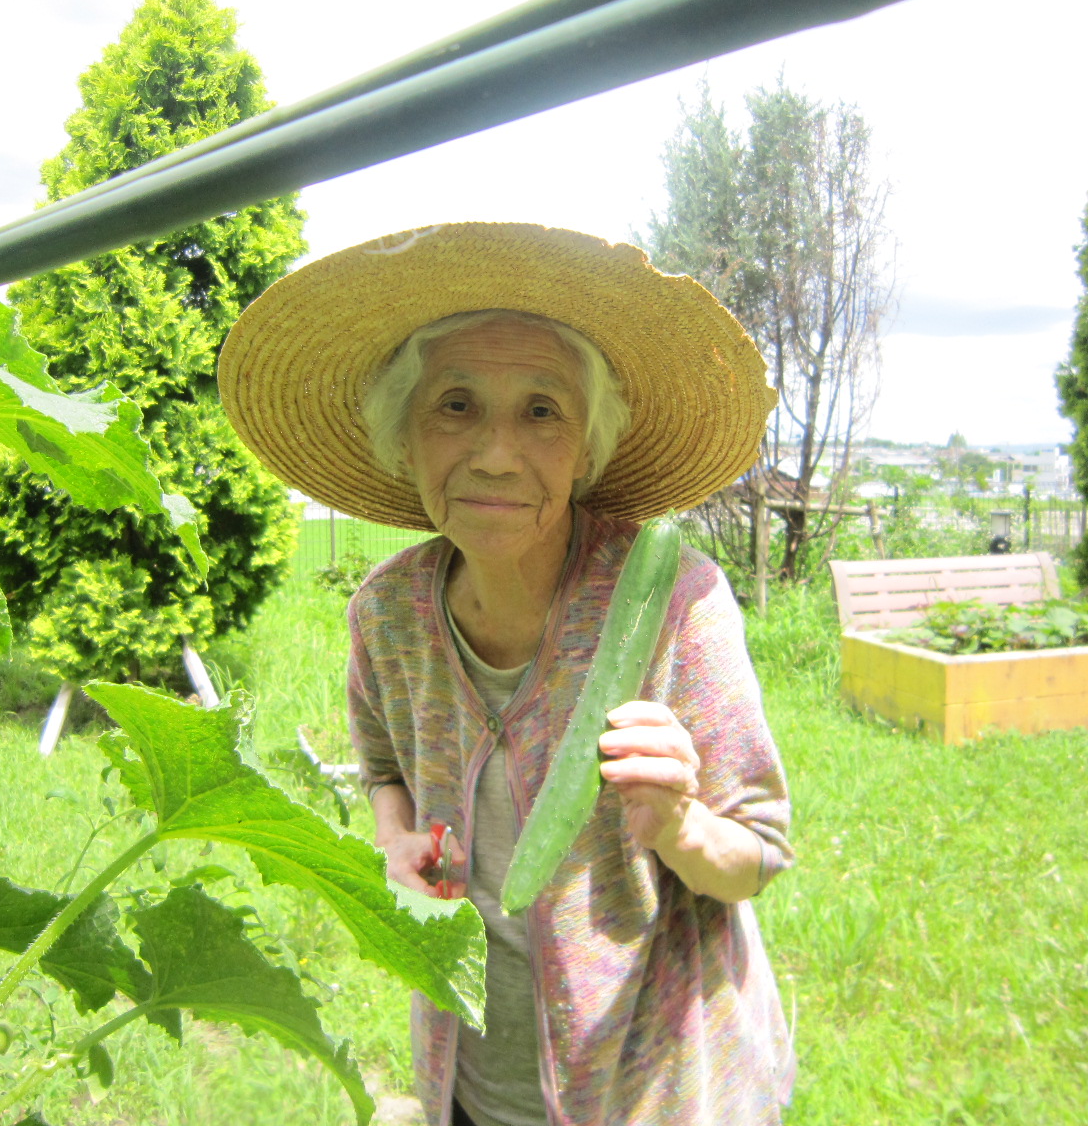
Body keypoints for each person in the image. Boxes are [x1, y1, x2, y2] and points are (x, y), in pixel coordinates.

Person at [219, 223, 795, 1126]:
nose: (494, 451)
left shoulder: (676, 602)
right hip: (471, 1080)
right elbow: (383, 768)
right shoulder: (385, 615)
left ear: (587, 449)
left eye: (541, 410)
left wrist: (681, 825)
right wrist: (392, 837)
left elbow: (757, 856)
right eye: (455, 405)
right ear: (403, 440)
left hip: (660, 1091)